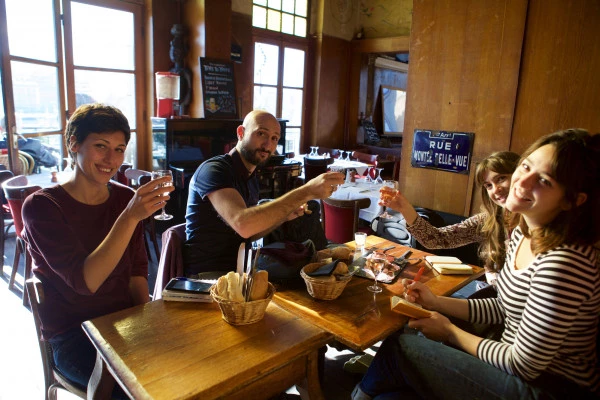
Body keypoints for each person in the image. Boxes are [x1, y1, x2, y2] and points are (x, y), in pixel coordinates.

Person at [353, 129, 600, 399]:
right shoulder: (523, 232)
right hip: (512, 365)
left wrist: (449, 332)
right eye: (526, 167)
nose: (522, 182)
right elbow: (502, 308)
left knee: (400, 347)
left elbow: (524, 364)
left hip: (551, 386)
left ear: (573, 200)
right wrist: (436, 302)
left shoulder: (565, 262)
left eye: (544, 180)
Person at [22, 104, 174, 395]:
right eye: (100, 146)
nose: (111, 159)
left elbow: (137, 272)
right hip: (72, 336)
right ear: (74, 144)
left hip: (124, 325)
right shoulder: (42, 206)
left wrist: (150, 324)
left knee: (188, 370)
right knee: (137, 392)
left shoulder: (124, 198)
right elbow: (86, 281)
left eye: (119, 149)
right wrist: (130, 216)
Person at [184, 110, 344, 276]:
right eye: (261, 134)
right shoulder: (213, 170)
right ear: (241, 133)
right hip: (205, 278)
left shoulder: (251, 175)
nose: (268, 145)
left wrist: (285, 215)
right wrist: (307, 191)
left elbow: (250, 232)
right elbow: (243, 224)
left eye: (274, 138)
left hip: (240, 272)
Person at [380, 151, 520, 287]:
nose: (495, 190)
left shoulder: (536, 226)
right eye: (489, 185)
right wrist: (405, 208)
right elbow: (436, 239)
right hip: (492, 299)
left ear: (521, 176)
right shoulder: (487, 221)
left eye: (501, 178)